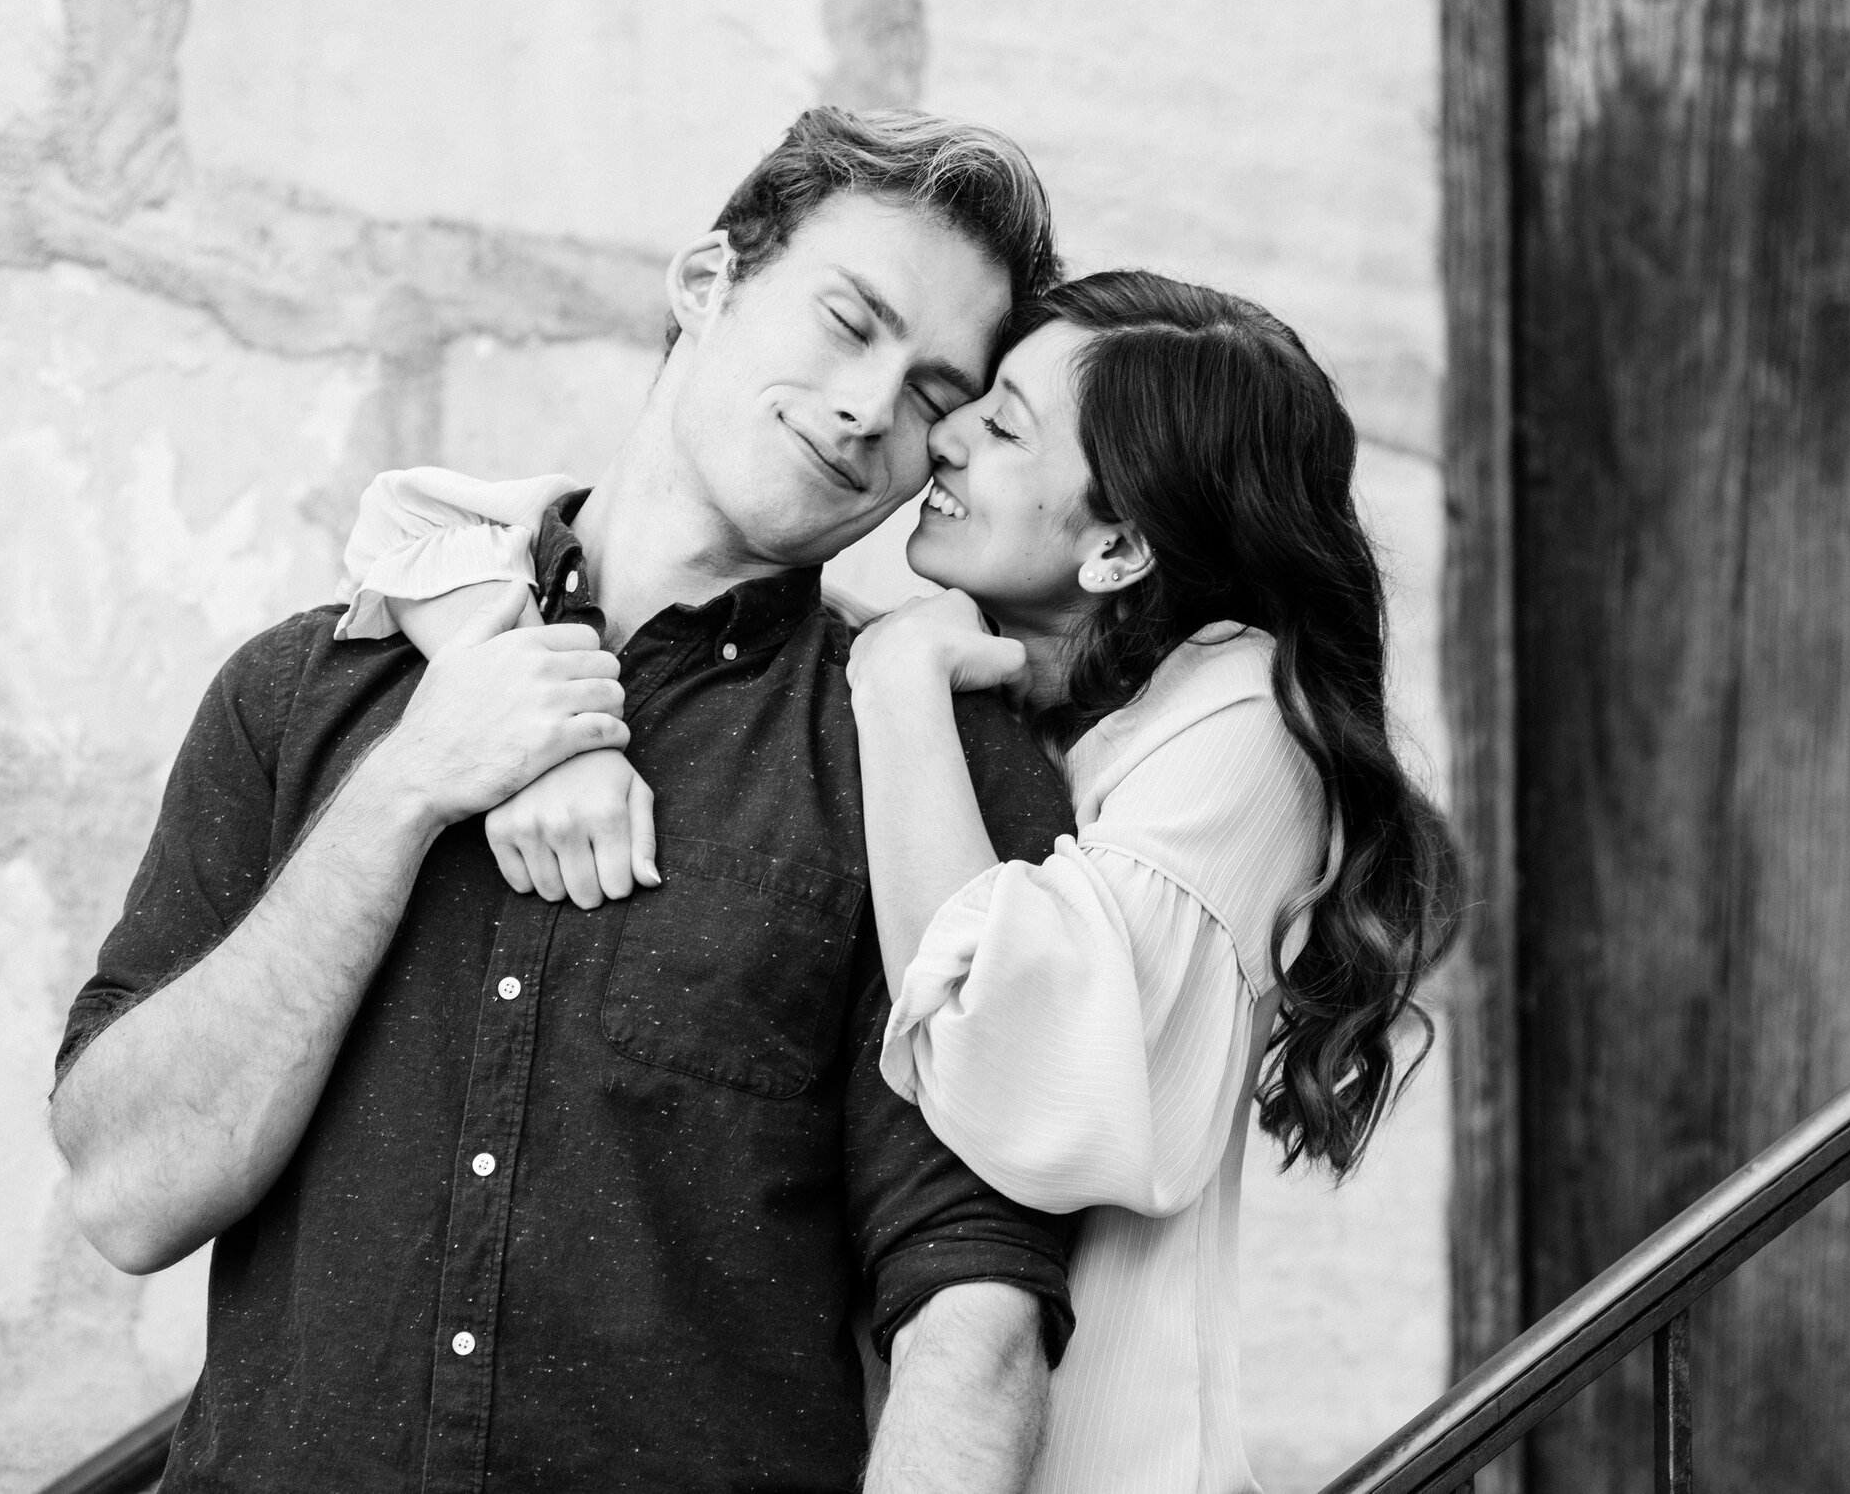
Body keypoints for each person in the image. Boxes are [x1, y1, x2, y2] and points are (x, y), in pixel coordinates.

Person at [49, 107, 1091, 1494]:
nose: (867, 409)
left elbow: (975, 1316)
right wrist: (410, 783)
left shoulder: (932, 760)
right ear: (708, 284)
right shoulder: (310, 688)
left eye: (929, 396)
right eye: (849, 323)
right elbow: (127, 1191)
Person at [345, 270, 1462, 1494]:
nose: (943, 433)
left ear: (1121, 545)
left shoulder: (1238, 724)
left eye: (1002, 422)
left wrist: (893, 684)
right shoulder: (984, 690)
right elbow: (414, 519)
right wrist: (542, 720)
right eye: (971, 400)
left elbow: (1007, 1070)